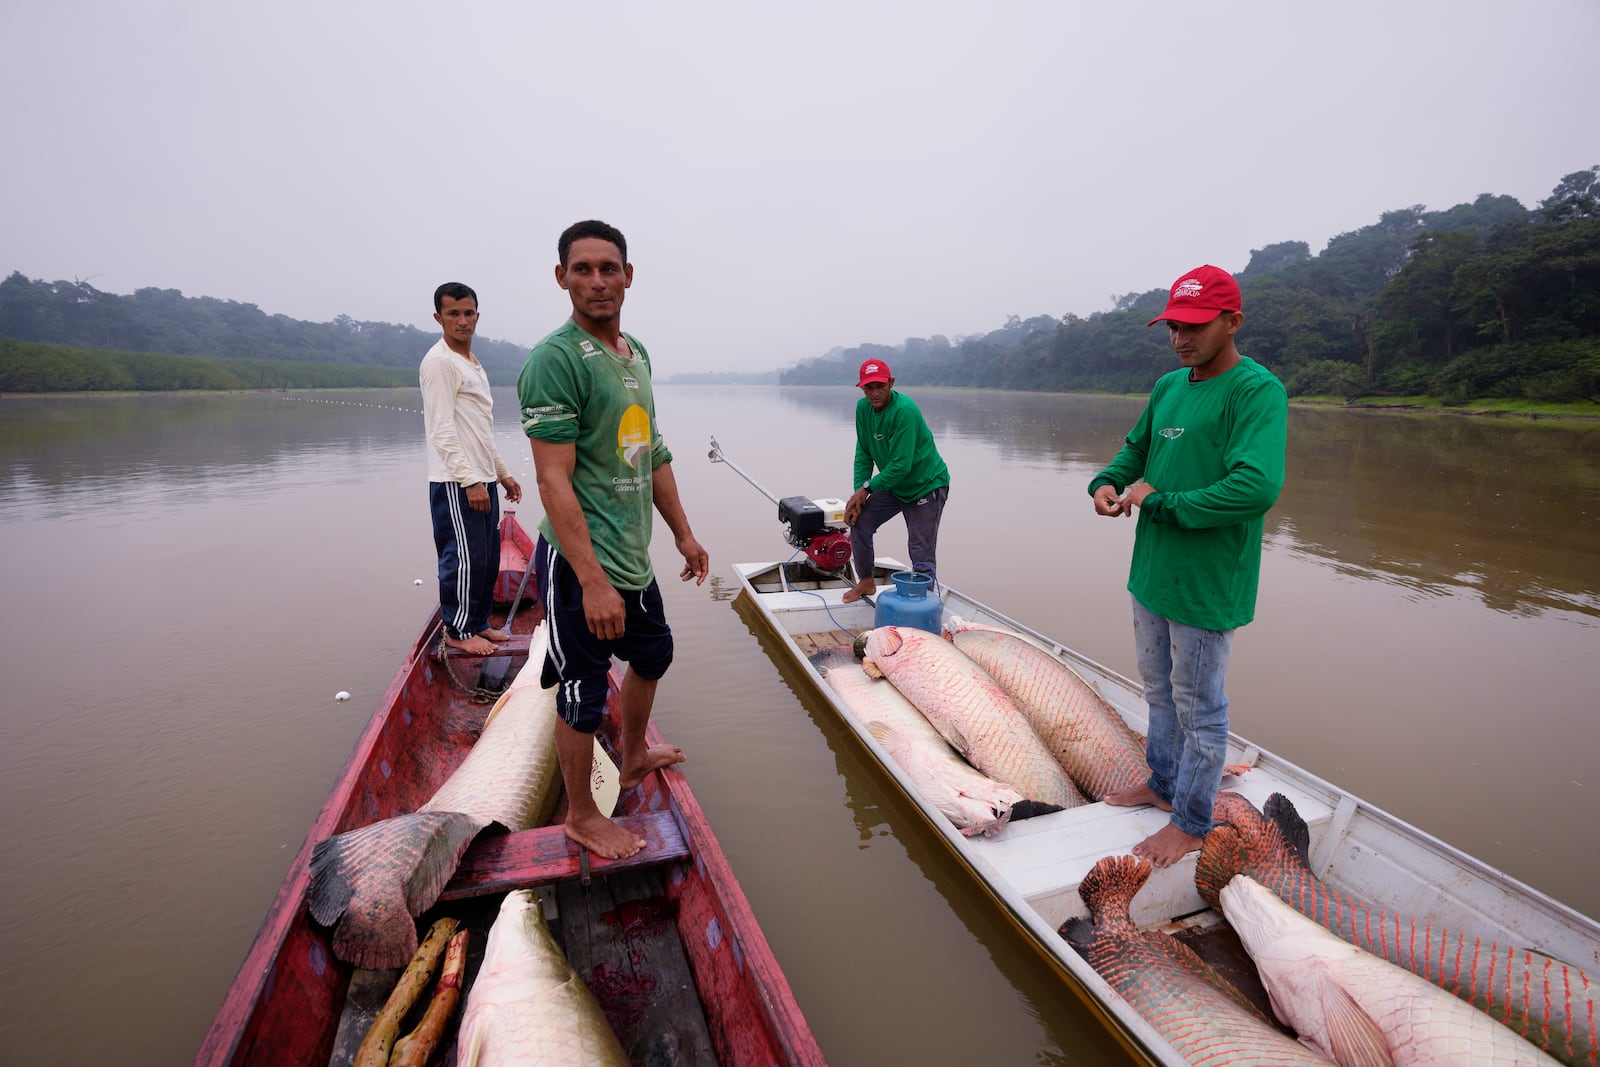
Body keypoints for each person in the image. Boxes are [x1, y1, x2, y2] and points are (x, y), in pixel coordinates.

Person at [518, 220, 709, 861]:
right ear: (562, 277)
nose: (597, 281)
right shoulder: (557, 360)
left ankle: (628, 759)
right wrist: (593, 580)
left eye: (609, 268)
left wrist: (683, 534)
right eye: (583, 269)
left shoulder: (636, 355)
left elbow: (650, 450)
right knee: (582, 689)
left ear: (628, 275)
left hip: (633, 556)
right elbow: (552, 480)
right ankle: (580, 816)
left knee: (653, 652)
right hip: (581, 563)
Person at [1089, 264, 1287, 868]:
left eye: (1196, 325)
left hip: (1204, 584)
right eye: (1174, 325)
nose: (1181, 337)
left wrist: (1162, 503)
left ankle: (1193, 821)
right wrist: (1108, 481)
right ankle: (1162, 781)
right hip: (1151, 573)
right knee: (1157, 690)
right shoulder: (1169, 386)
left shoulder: (1256, 391)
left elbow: (1255, 487)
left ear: (1233, 322)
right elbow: (1137, 448)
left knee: (1199, 707)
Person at [421, 281, 522, 657]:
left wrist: (502, 474)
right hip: (456, 481)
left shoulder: (471, 363)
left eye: (468, 313)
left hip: (480, 478)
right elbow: (442, 430)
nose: (462, 321)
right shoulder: (440, 362)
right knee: (462, 558)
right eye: (453, 314)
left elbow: (480, 431)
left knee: (486, 557)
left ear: (477, 315)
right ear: (439, 317)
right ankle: (459, 630)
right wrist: (469, 481)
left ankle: (478, 622)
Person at [841, 358, 951, 603]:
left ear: (891, 383)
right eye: (869, 388)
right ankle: (866, 581)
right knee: (859, 522)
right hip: (893, 485)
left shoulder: (904, 411)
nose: (875, 393)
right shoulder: (863, 409)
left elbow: (901, 466)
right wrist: (860, 491)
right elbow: (864, 453)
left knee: (920, 549)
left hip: (925, 485)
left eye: (880, 386)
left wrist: (868, 488)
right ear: (861, 388)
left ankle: (924, 602)